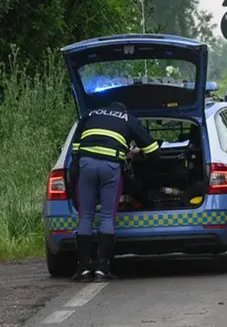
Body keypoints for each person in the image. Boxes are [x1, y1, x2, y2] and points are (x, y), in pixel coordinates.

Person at [69, 102, 161, 282]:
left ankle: (83, 269)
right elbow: (154, 152)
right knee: (106, 216)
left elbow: (75, 151)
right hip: (110, 167)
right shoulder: (129, 119)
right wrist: (135, 152)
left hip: (86, 165)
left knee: (86, 216)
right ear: (123, 110)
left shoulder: (89, 115)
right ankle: (103, 269)